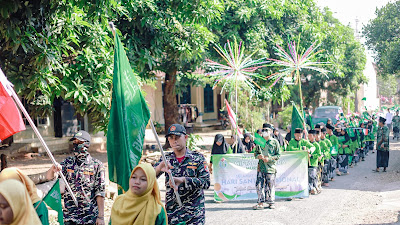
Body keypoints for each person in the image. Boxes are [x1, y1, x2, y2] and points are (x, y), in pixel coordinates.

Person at [46, 130, 106, 225]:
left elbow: (100, 192)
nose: (76, 145)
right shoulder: (68, 162)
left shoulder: (97, 165)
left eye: (79, 142)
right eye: (74, 142)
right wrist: (53, 169)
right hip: (70, 215)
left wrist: (101, 217)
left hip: (89, 216)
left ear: (87, 144)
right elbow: (49, 177)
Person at [155, 124, 210, 225]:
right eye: (171, 138)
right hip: (173, 213)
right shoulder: (166, 158)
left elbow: (206, 182)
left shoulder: (197, 158)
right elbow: (149, 177)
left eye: (177, 137)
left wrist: (184, 180)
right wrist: (158, 168)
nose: (174, 141)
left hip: (194, 214)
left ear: (185, 138)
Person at [253, 128, 280, 210]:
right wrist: (259, 156)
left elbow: (278, 155)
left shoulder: (275, 142)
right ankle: (260, 202)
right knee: (259, 185)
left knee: (270, 186)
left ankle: (271, 202)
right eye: (263, 131)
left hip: (270, 168)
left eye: (267, 131)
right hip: (261, 167)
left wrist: (269, 159)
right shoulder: (259, 141)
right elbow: (255, 153)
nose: (265, 132)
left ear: (270, 132)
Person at [307, 130, 322, 195]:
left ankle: (315, 188)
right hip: (307, 163)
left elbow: (319, 154)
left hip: (313, 163)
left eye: (310, 136)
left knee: (313, 176)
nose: (309, 137)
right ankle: (311, 189)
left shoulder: (316, 145)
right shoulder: (307, 144)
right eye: (308, 136)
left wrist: (312, 156)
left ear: (314, 136)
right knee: (309, 177)